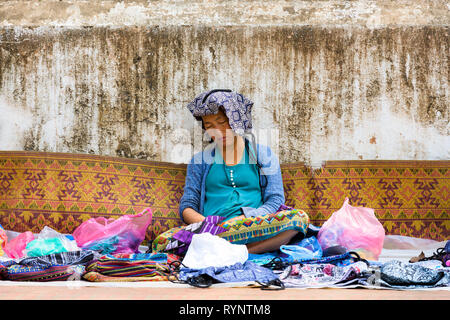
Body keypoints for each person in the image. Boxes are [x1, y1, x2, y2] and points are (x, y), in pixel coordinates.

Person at [154, 89, 309, 254]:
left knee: (298, 219)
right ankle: (238, 251)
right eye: (209, 125)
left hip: (253, 226)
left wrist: (246, 219)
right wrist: (207, 224)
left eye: (222, 122)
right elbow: (187, 206)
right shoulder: (199, 161)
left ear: (238, 119)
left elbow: (275, 201)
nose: (218, 131)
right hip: (213, 232)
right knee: (161, 242)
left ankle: (239, 252)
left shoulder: (264, 155)